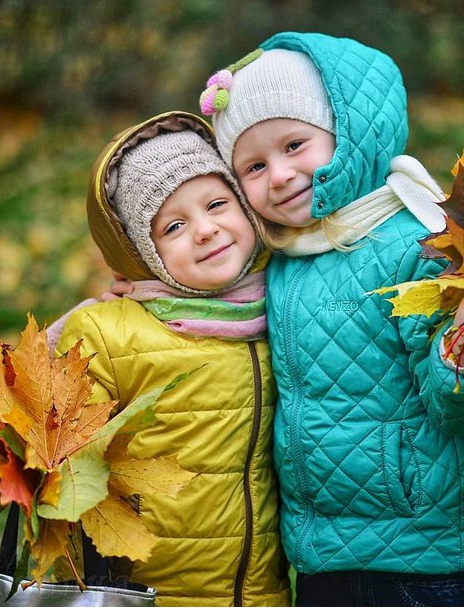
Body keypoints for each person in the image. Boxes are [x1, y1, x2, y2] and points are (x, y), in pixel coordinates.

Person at [197, 32, 464, 607]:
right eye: (253, 165)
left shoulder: (415, 246)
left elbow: (462, 410)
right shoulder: (281, 257)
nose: (278, 175)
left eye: (295, 145)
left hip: (420, 552)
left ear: (346, 135)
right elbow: (205, 288)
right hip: (321, 552)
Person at [52, 111, 290, 607]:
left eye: (218, 203)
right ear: (142, 251)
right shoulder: (105, 334)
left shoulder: (288, 307)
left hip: (263, 589)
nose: (205, 230)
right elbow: (60, 470)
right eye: (174, 225)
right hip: (141, 589)